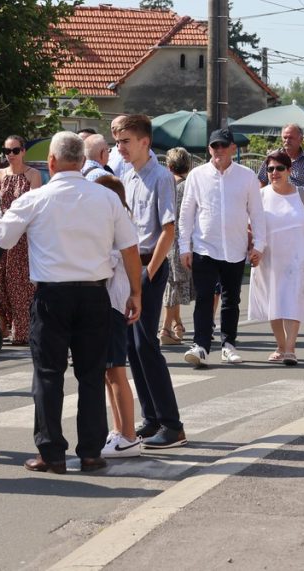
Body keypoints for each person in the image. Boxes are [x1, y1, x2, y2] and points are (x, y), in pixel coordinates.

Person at [0, 131, 141, 474]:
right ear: (83, 161)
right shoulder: (107, 199)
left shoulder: (36, 198)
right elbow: (130, 248)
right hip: (94, 293)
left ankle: (51, 453)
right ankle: (91, 453)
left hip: (52, 295)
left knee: (48, 375)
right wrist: (135, 293)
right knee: (91, 374)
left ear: (52, 161)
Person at [115, 115, 187, 449]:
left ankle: (172, 425)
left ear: (144, 142)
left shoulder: (161, 177)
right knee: (132, 347)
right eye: (117, 141)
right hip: (128, 267)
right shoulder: (126, 175)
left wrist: (149, 273)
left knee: (147, 345)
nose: (120, 147)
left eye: (126, 141)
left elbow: (168, 230)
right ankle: (152, 418)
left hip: (149, 267)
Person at [179, 128, 266, 368]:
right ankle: (200, 346)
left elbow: (257, 213)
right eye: (214, 146)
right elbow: (186, 213)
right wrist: (184, 246)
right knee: (204, 298)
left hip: (235, 248)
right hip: (204, 247)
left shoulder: (246, 176)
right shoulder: (197, 175)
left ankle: (228, 345)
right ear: (209, 149)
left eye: (223, 146)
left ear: (233, 149)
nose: (218, 150)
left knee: (231, 300)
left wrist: (259, 244)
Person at [248, 150, 304, 365]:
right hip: (269, 258)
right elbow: (251, 227)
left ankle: (290, 348)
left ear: (289, 171)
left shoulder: (302, 194)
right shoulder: (260, 196)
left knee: (293, 299)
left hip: (296, 257)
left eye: (280, 168)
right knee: (274, 301)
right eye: (270, 169)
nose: (275, 172)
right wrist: (252, 249)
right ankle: (280, 346)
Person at [92, 176, 142, 458]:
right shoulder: (111, 221)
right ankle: (118, 430)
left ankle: (129, 435)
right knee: (107, 372)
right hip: (109, 301)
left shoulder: (116, 223)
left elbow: (111, 259)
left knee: (115, 371)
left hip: (114, 302)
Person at [0, 135, 42, 344]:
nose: (11, 155)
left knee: (19, 284)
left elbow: (33, 205)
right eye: (7, 151)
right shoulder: (0, 174)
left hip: (23, 234)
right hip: (3, 232)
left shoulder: (33, 174)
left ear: (23, 151)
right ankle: (7, 324)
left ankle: (22, 330)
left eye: (15, 150)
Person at [160, 147, 193, 346]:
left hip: (164, 238)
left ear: (169, 165)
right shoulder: (186, 186)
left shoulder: (165, 184)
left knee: (173, 284)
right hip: (181, 240)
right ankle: (165, 328)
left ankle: (177, 324)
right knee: (174, 285)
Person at [256, 124, 304, 210]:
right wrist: (259, 207)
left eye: (290, 138)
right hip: (275, 208)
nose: (287, 140)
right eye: (285, 138)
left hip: (301, 210)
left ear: (301, 139)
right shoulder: (272, 157)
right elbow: (262, 181)